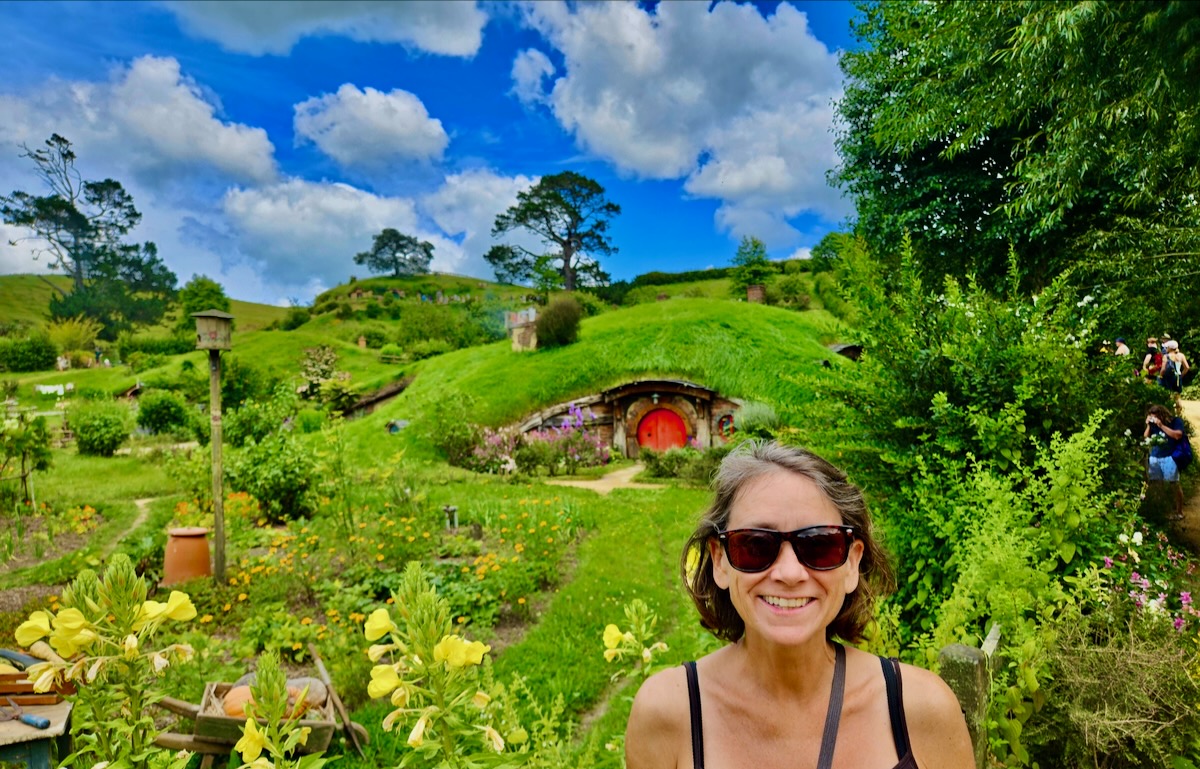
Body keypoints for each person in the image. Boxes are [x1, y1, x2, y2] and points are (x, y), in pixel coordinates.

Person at [625, 441, 974, 769]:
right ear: (719, 561)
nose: (790, 573)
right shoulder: (668, 715)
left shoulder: (922, 711)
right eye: (755, 545)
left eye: (820, 545)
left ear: (852, 564)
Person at [1145, 404, 1185, 520]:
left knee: (1174, 484)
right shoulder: (1152, 424)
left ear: (1162, 415)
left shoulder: (1175, 421)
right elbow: (1146, 437)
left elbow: (1177, 435)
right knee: (1156, 484)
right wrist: (1148, 425)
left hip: (1169, 457)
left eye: (1156, 417)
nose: (1155, 419)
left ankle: (1179, 511)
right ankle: (1159, 510)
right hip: (1155, 457)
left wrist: (1161, 426)